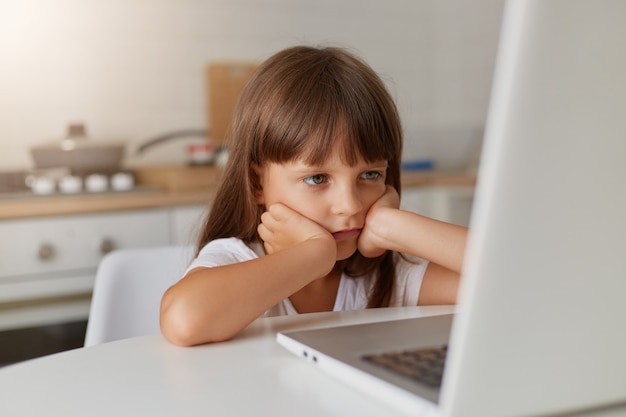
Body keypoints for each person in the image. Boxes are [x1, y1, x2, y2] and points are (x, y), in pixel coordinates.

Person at [160, 45, 468, 346]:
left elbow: (513, 283)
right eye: (317, 178)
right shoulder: (237, 258)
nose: (350, 205)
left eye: (370, 174)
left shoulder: (385, 277)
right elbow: (184, 320)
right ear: (257, 185)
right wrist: (315, 254)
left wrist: (391, 225)